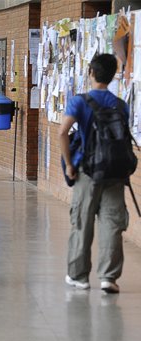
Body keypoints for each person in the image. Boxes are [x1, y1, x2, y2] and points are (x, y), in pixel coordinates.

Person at [58, 53, 129, 294]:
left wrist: (69, 164)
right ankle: (109, 277)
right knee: (112, 225)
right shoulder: (121, 104)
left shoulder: (80, 102)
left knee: (82, 222)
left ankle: (79, 276)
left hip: (87, 172)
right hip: (115, 173)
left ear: (90, 73)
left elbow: (62, 133)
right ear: (112, 76)